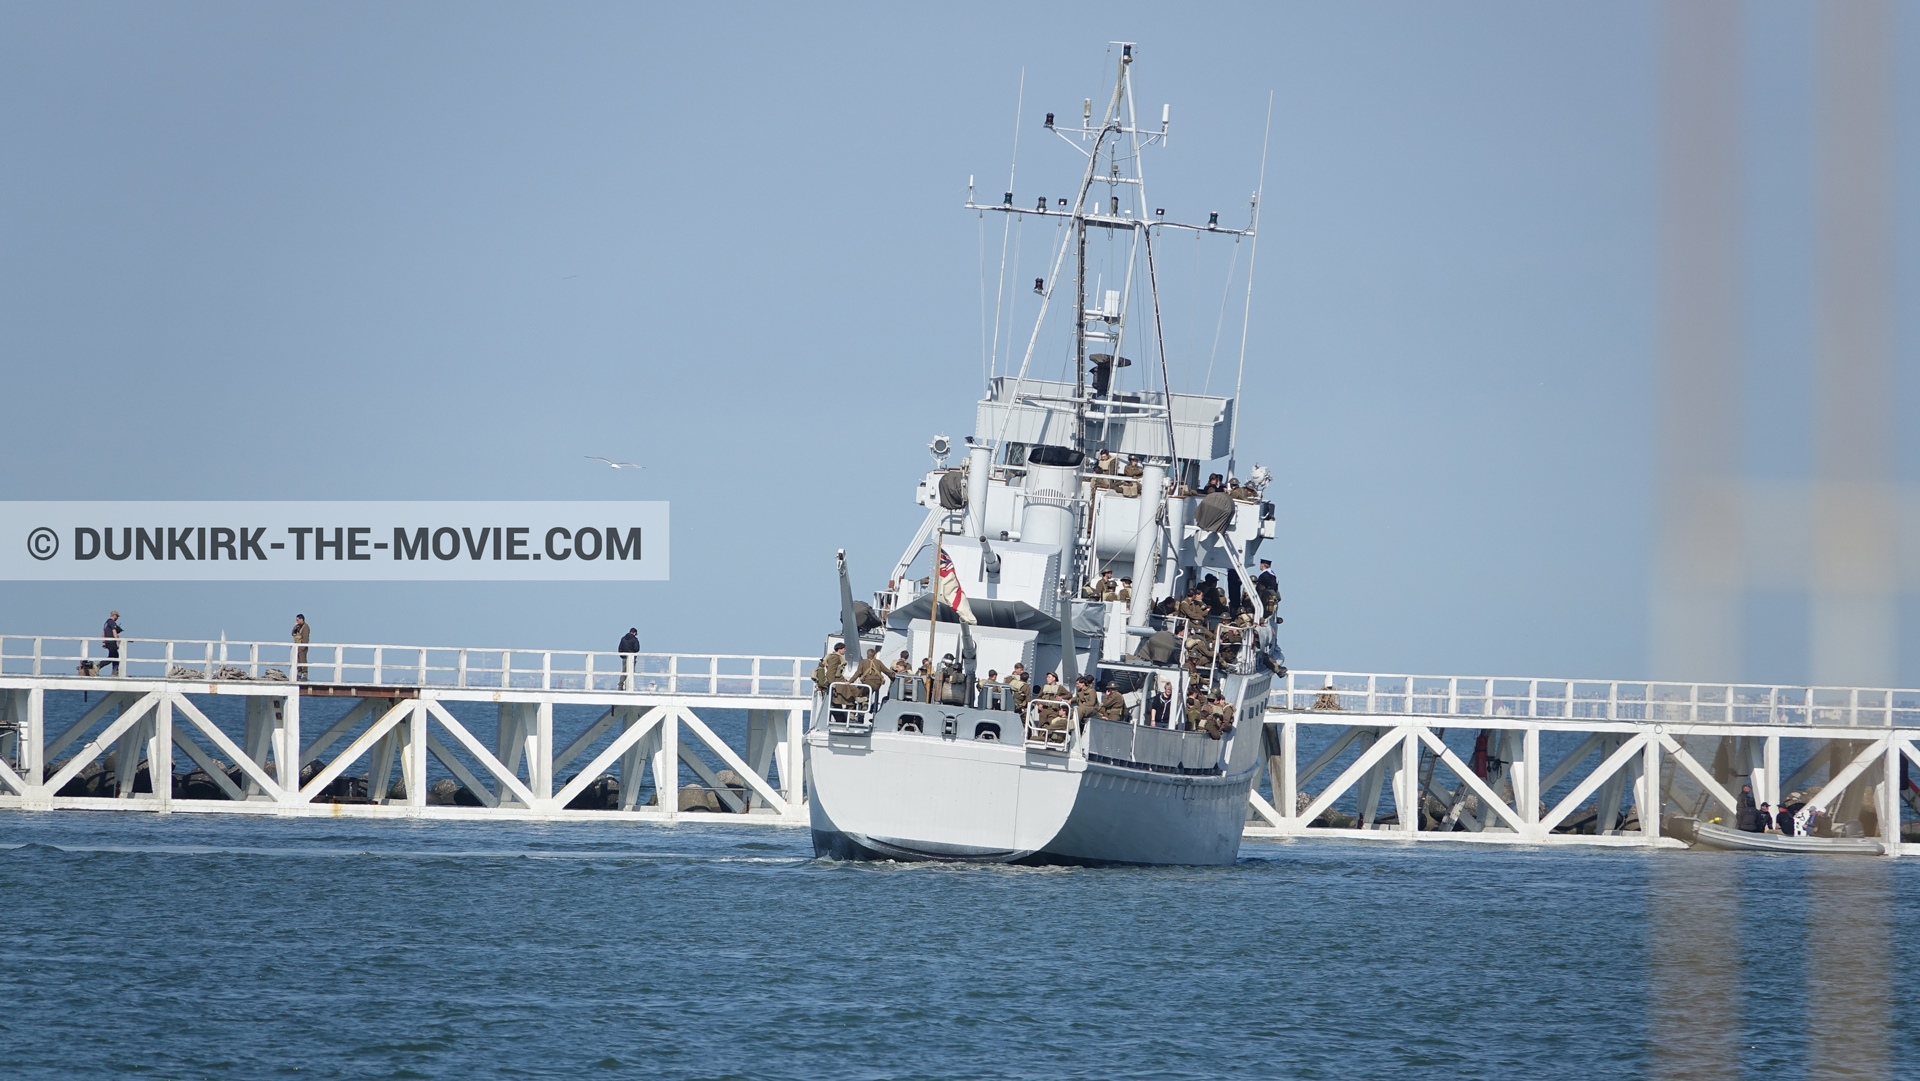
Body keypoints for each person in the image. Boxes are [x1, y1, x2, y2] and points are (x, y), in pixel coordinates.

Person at [100, 610, 122, 676]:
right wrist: (118, 641)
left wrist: (104, 642)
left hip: (107, 641)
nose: (117, 618)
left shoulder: (106, 622)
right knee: (113, 657)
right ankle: (98, 666)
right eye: (117, 616)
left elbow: (103, 632)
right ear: (114, 615)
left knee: (115, 656)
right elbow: (114, 632)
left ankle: (115, 672)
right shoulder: (112, 622)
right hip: (112, 642)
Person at [291, 614, 310, 681]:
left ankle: (305, 674)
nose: (297, 621)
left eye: (298, 620)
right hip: (298, 646)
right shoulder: (298, 627)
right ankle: (299, 674)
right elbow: (293, 633)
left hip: (302, 647)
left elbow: (305, 638)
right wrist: (295, 627)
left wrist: (303, 647)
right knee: (298, 660)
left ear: (301, 619)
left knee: (303, 660)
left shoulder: (305, 627)